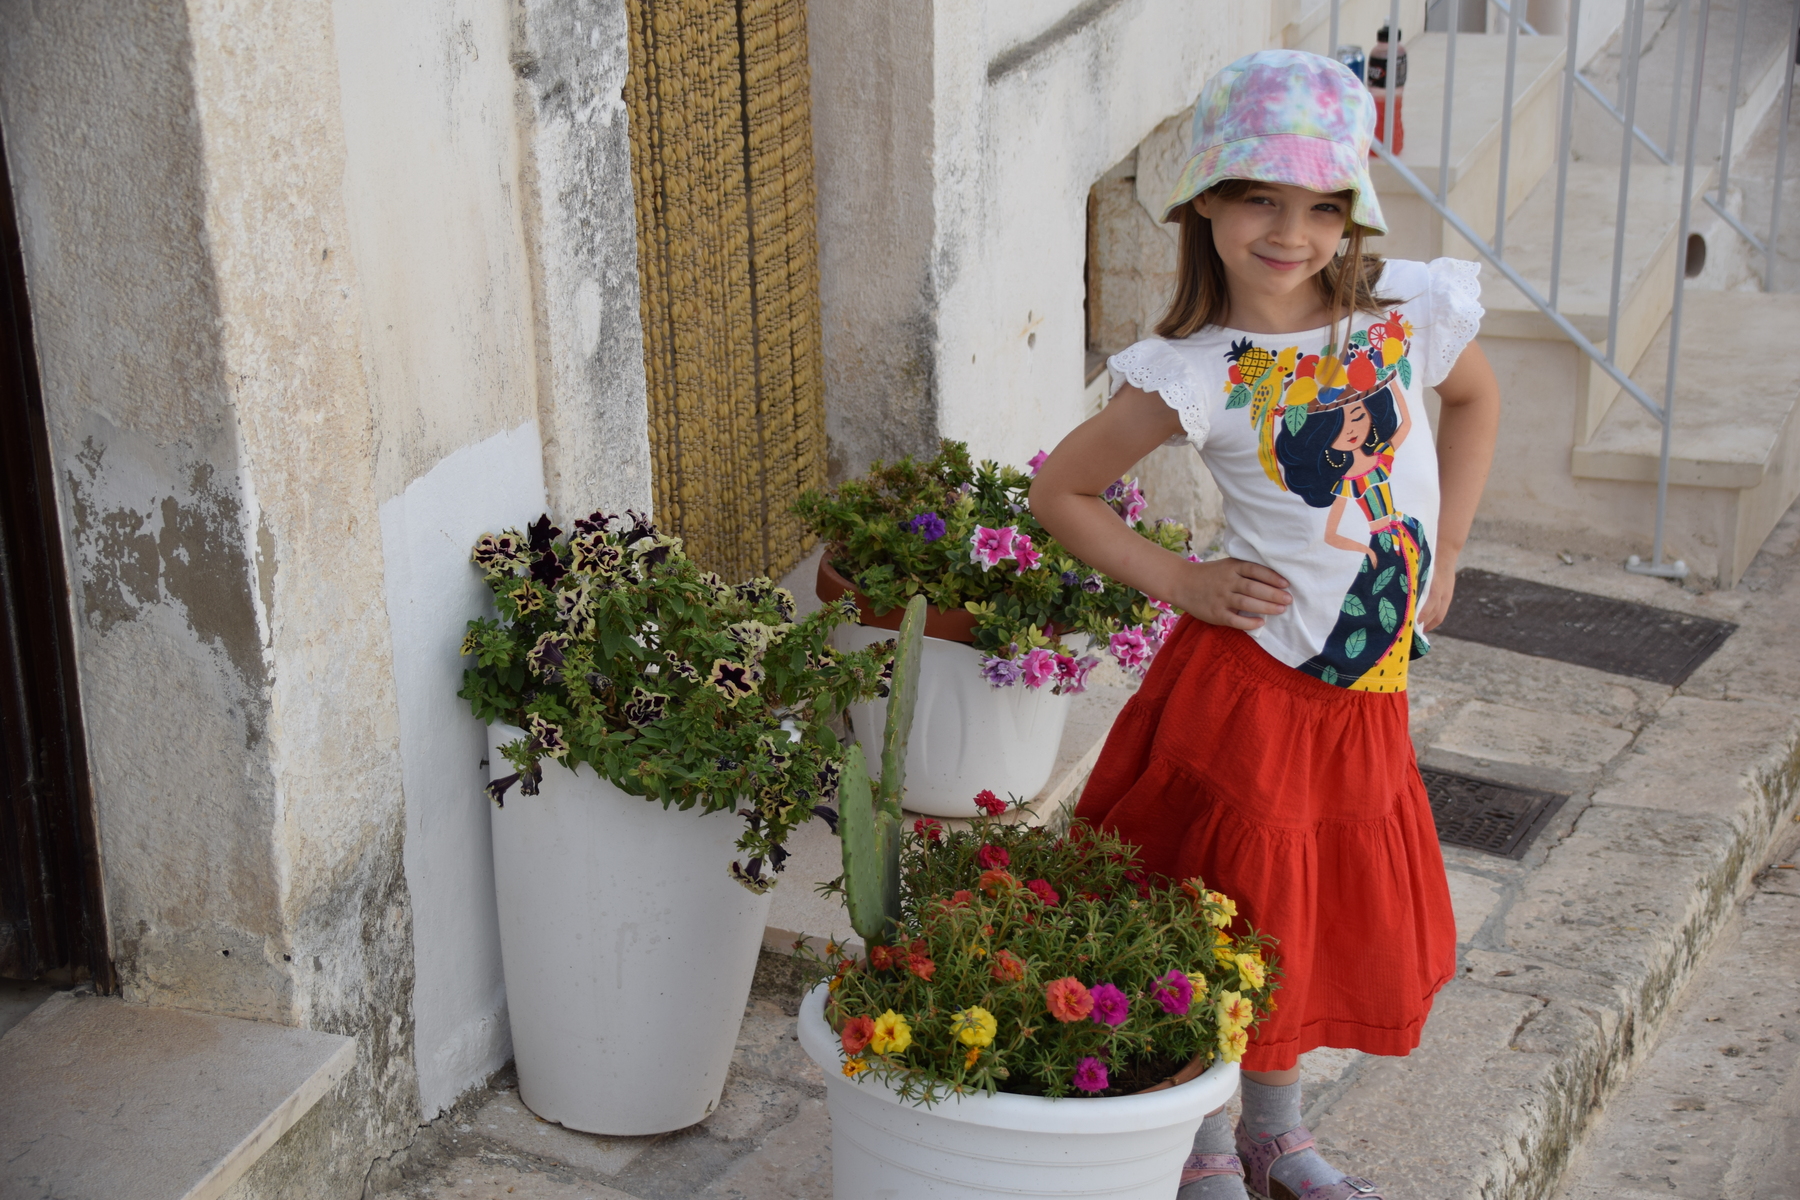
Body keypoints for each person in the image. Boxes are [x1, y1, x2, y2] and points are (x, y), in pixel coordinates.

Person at [1030, 49, 1499, 1200]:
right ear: (1206, 202)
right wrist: (1180, 581)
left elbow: (1477, 399)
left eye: (1323, 206)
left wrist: (1448, 553)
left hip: (1365, 697)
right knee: (1228, 912)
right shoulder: (1196, 371)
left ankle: (1275, 1135)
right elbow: (1060, 492)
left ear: (1353, 214)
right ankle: (1199, 1141)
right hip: (1250, 694)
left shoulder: (1404, 314)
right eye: (1259, 199)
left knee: (1303, 913)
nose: (1292, 233)